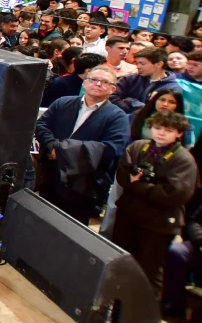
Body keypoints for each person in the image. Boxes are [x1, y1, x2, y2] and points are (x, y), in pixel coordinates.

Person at [110, 112, 197, 290]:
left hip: (158, 224)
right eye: (157, 128)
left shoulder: (184, 160)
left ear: (179, 133)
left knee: (147, 273)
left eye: (168, 130)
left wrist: (138, 186)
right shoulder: (137, 147)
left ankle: (142, 316)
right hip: (128, 215)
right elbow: (122, 175)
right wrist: (144, 184)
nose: (161, 133)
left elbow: (175, 193)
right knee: (118, 264)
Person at [34, 65, 131, 223]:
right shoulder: (63, 103)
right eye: (94, 79)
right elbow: (42, 125)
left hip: (84, 184)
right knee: (43, 220)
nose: (98, 84)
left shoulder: (117, 116)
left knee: (71, 229)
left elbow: (111, 149)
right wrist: (51, 145)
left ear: (113, 89)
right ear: (84, 83)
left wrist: (61, 151)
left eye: (105, 82)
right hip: (51, 175)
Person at [111, 46, 176, 113]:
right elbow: (112, 96)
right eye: (137, 63)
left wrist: (132, 102)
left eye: (142, 63)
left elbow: (159, 111)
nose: (138, 66)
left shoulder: (172, 87)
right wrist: (130, 111)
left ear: (159, 64)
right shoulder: (130, 78)